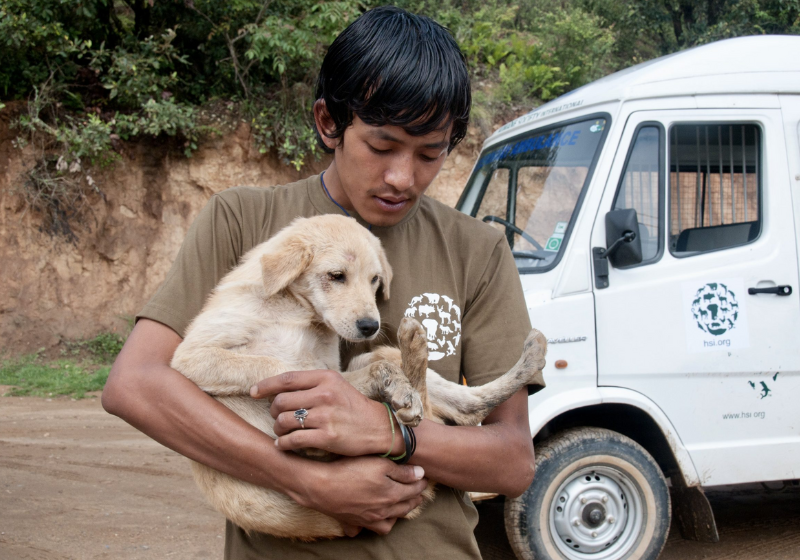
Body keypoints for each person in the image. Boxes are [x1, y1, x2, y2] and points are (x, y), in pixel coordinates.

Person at [102, 6, 544, 559]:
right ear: (329, 123)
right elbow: (136, 384)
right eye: (382, 147)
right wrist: (308, 483)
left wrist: (388, 433)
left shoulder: (478, 250)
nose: (403, 177)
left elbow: (512, 461)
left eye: (430, 153)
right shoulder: (243, 221)